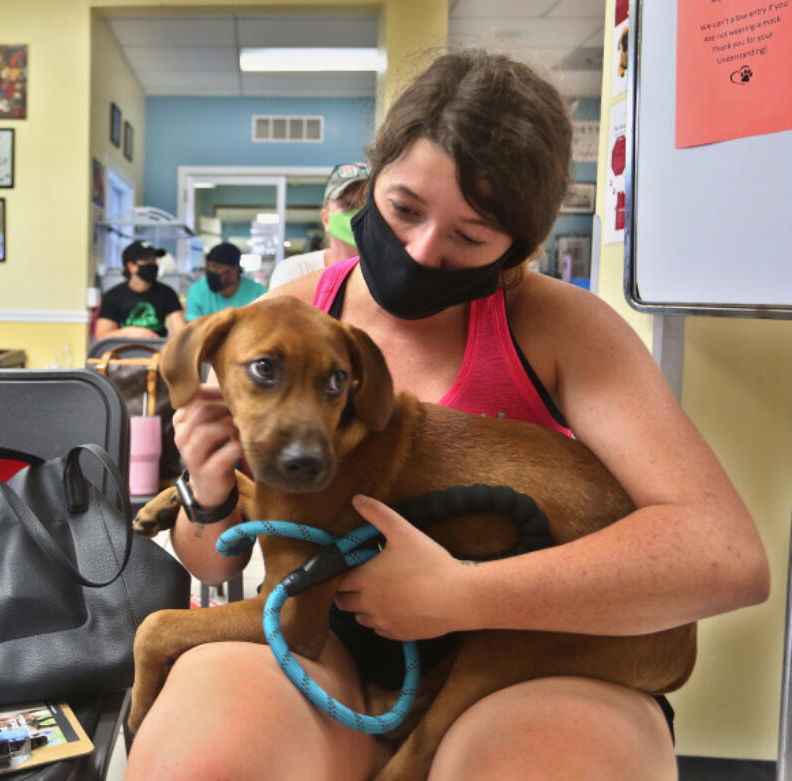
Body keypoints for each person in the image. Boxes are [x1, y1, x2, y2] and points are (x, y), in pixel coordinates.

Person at [125, 49, 769, 781]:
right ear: (369, 181)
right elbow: (216, 558)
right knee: (198, 761)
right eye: (403, 208)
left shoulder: (562, 327)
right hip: (331, 644)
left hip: (526, 654)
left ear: (517, 245)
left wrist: (462, 592)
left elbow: (727, 559)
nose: (422, 250)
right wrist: (206, 493)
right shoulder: (290, 326)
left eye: (469, 236)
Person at [269, 161, 369, 289]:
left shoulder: (389, 275)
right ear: (326, 218)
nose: (359, 214)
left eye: (368, 206)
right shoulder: (295, 272)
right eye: (348, 204)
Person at [94, 240, 184, 340]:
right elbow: (101, 336)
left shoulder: (167, 293)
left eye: (154, 260)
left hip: (158, 352)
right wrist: (130, 332)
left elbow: (180, 332)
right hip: (123, 352)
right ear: (131, 266)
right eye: (147, 260)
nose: (153, 264)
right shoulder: (112, 297)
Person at [184, 242, 266, 321]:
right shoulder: (197, 290)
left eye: (216, 267)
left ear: (234, 268)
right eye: (209, 267)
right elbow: (193, 326)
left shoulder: (258, 293)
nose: (211, 272)